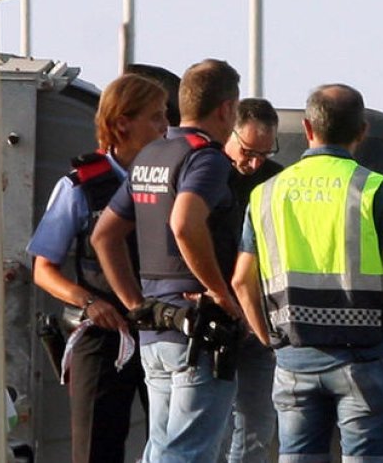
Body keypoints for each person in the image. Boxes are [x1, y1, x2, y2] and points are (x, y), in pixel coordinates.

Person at [231, 84, 383, 463]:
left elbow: (241, 281)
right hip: (366, 361)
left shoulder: (267, 193)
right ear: (362, 130)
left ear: (308, 128)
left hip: (294, 361)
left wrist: (271, 343)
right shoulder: (373, 190)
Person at [91, 58, 244, 463]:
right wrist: (219, 292)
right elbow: (185, 223)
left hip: (156, 331)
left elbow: (104, 236)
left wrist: (136, 304)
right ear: (226, 109)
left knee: (161, 450)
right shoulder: (206, 158)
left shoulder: (151, 155)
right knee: (187, 455)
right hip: (198, 333)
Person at [26, 72, 170, 463]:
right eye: (156, 117)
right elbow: (43, 269)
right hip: (102, 332)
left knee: (173, 441)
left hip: (161, 327)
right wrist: (89, 302)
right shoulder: (79, 187)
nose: (165, 127)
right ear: (123, 122)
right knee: (96, 446)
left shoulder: (171, 180)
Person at [220, 98, 283, 463]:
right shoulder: (208, 173)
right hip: (216, 314)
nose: (254, 162)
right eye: (247, 151)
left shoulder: (276, 179)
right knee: (215, 423)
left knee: (258, 422)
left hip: (261, 318)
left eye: (264, 152)